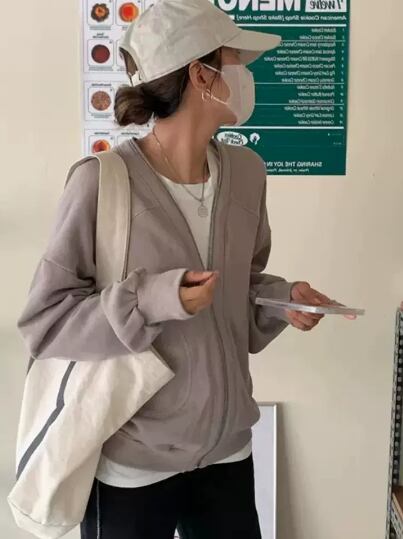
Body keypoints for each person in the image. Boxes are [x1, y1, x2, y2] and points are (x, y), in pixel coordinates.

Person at [17, 0, 336, 537]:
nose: (247, 75)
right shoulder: (101, 181)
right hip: (131, 467)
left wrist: (282, 300)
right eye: (236, 60)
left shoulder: (248, 173)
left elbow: (237, 291)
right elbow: (45, 323)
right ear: (200, 74)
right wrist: (152, 299)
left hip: (228, 454)